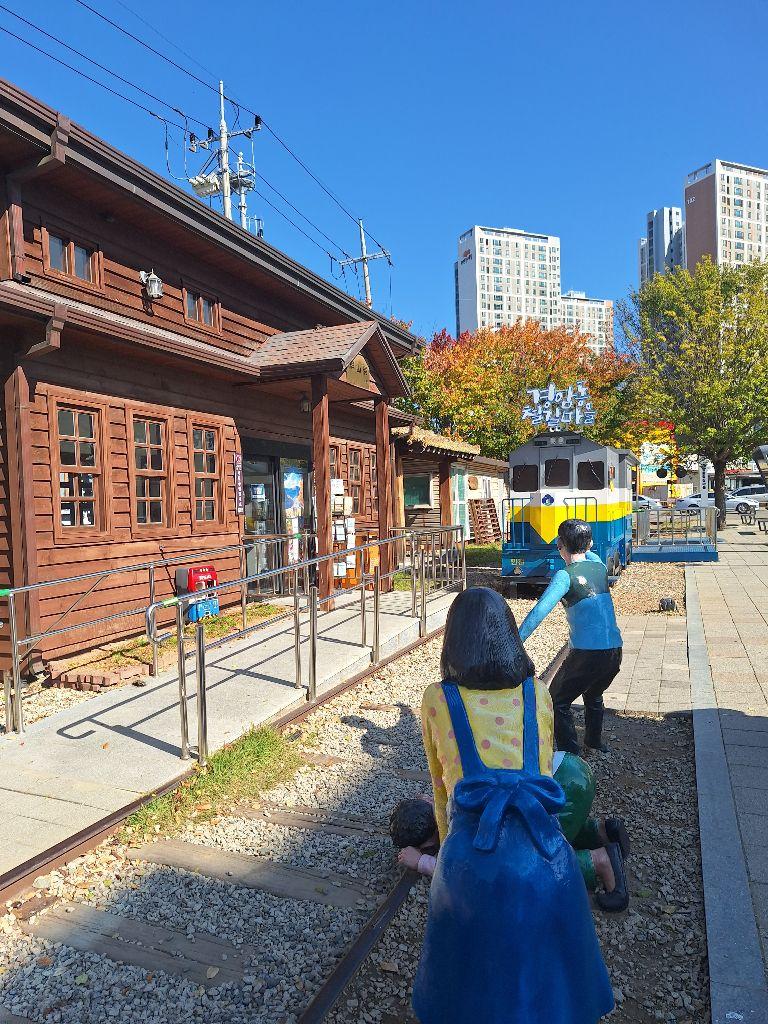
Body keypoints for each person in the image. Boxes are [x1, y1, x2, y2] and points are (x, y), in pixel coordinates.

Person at [412, 587, 614, 1024]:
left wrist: (446, 857)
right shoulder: (537, 694)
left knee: (467, 978)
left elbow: (442, 790)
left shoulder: (437, 699)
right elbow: (542, 776)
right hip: (541, 851)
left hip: (471, 861)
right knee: (547, 974)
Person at [390, 752, 630, 912]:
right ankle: (602, 831)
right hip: (567, 767)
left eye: (431, 848)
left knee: (530, 862)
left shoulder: (459, 826)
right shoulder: (450, 797)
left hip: (560, 787)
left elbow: (464, 871)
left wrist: (421, 861)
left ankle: (600, 861)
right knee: (548, 827)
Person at [519, 519, 623, 755]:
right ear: (591, 544)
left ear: (559, 544)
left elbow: (539, 611)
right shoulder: (600, 567)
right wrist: (584, 545)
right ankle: (594, 743)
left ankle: (570, 755)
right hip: (615, 651)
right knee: (594, 694)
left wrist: (517, 640)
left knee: (557, 701)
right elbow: (589, 555)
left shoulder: (564, 576)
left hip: (587, 654)